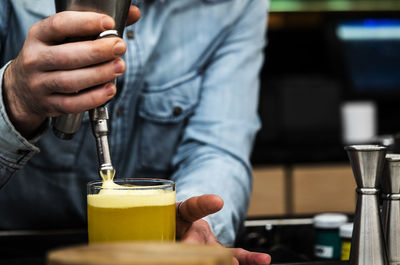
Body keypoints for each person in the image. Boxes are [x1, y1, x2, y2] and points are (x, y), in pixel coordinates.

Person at [0, 1, 270, 264]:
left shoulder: (236, 5)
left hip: (154, 255)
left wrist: (196, 227)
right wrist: (14, 96)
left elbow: (218, 147)